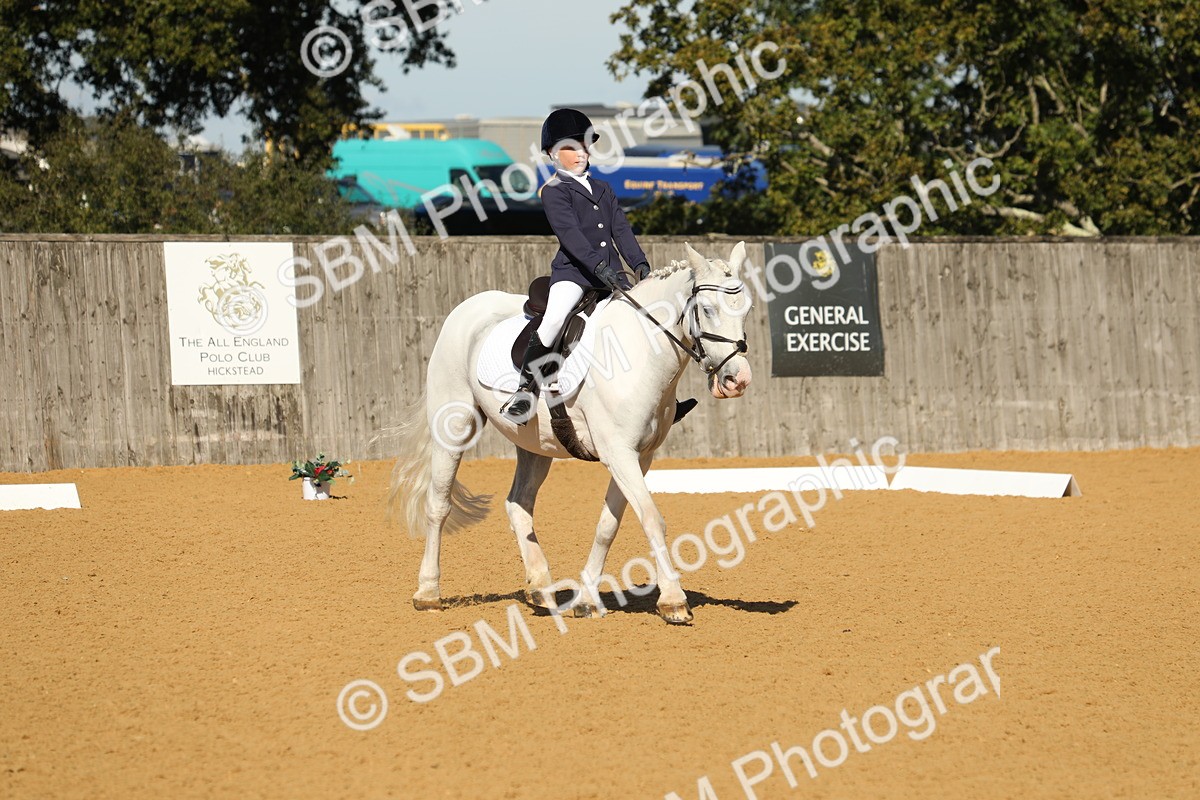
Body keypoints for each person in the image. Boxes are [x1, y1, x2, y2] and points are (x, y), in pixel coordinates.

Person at [500, 108, 651, 424]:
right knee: (553, 320)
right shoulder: (554, 192)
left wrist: (640, 265)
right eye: (571, 147)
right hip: (574, 274)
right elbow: (571, 236)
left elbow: (621, 230)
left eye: (584, 145)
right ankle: (525, 392)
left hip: (610, 274)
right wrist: (599, 268)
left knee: (642, 320)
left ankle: (657, 399)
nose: (581, 152)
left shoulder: (603, 189)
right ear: (552, 154)